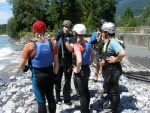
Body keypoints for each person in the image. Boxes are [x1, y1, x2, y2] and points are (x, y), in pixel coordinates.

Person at [19, 21, 59, 113]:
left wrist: (25, 68)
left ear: (34, 31)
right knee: (51, 98)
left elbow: (21, 65)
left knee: (41, 102)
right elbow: (56, 63)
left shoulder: (30, 45)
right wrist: (55, 75)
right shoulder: (52, 44)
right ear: (45, 31)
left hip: (37, 77)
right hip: (49, 74)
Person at [100, 22, 126, 113]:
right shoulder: (111, 41)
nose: (102, 33)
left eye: (103, 31)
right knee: (110, 89)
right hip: (110, 69)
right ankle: (112, 107)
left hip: (113, 70)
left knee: (114, 91)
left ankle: (114, 110)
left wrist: (115, 59)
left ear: (107, 32)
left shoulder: (113, 42)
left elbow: (122, 53)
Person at [72, 24, 96, 113]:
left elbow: (79, 61)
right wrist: (89, 64)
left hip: (80, 71)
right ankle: (87, 109)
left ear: (75, 33)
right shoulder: (88, 43)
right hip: (86, 69)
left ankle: (85, 111)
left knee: (81, 94)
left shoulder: (77, 45)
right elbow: (94, 54)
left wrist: (77, 70)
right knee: (86, 90)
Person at [54, 20, 74, 104]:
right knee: (58, 79)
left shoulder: (72, 37)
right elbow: (53, 47)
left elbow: (71, 49)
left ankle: (66, 98)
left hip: (68, 60)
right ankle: (57, 97)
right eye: (65, 27)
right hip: (59, 59)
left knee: (67, 80)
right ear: (63, 27)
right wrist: (57, 38)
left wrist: (64, 40)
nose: (67, 29)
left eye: (68, 27)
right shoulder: (58, 36)